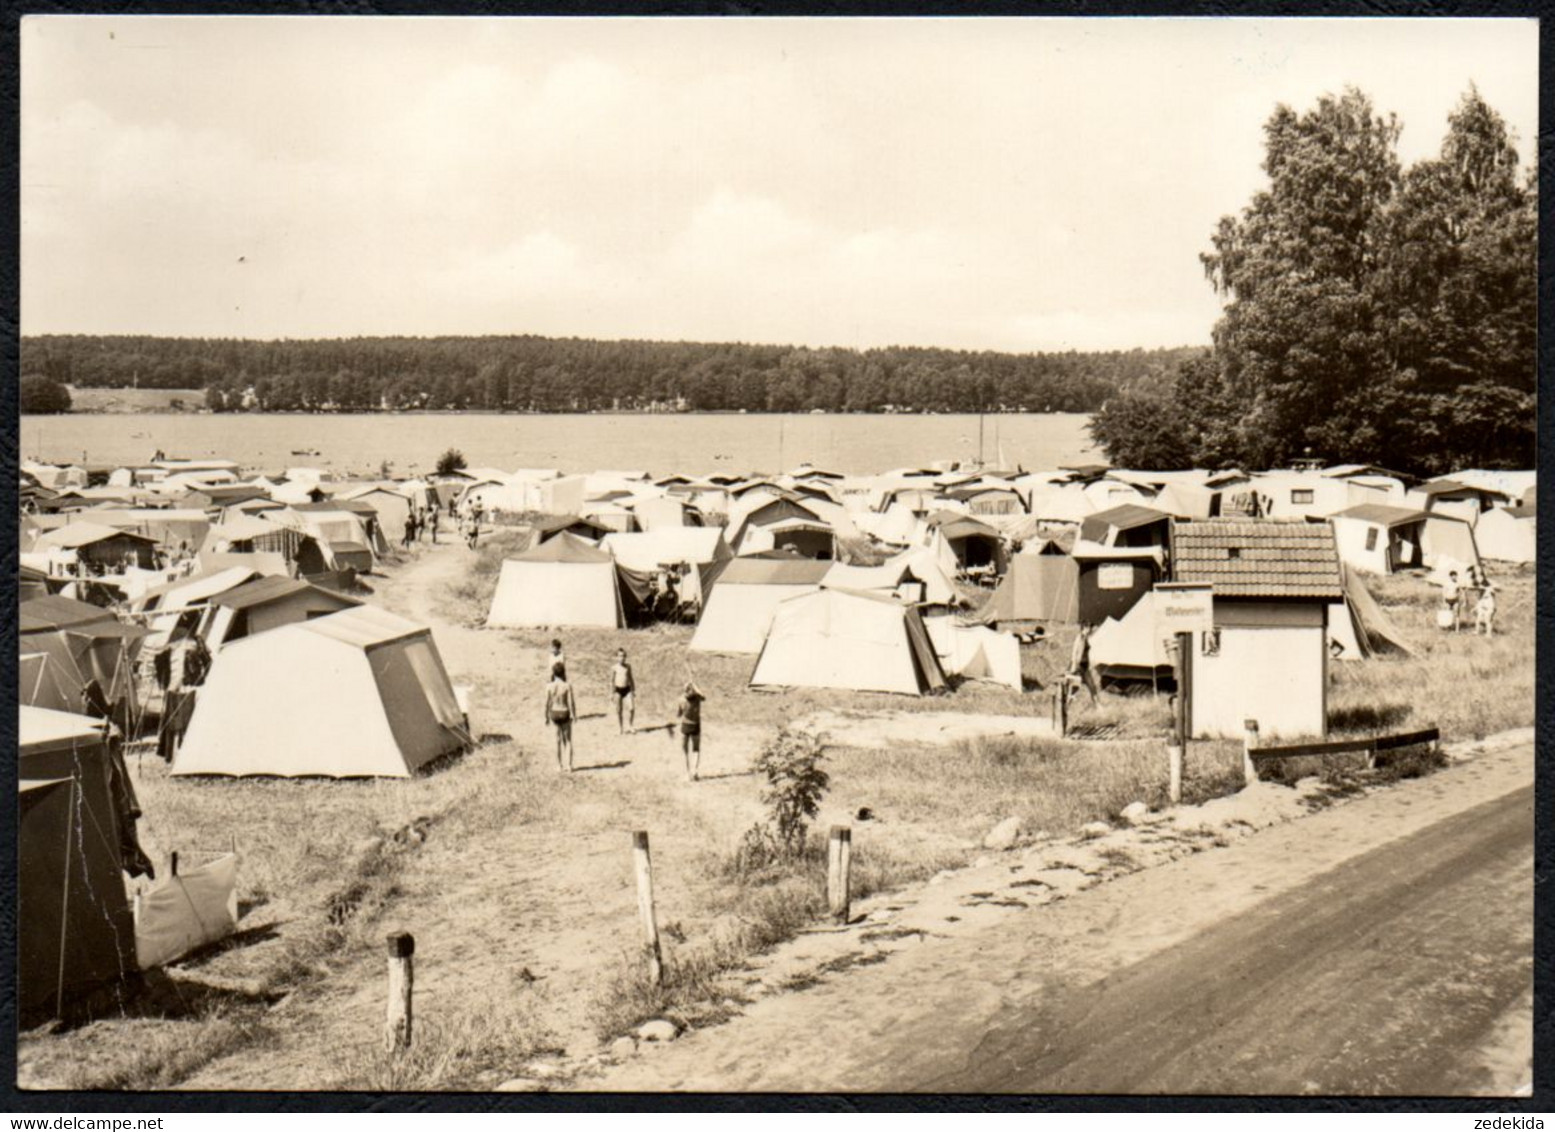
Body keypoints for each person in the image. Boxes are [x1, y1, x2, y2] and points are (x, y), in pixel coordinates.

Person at [544, 665, 578, 772]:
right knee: (568, 741)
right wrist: (574, 714)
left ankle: (559, 765)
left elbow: (546, 703)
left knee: (557, 741)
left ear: (553, 673)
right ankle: (569, 765)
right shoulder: (567, 685)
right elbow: (572, 702)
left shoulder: (549, 686)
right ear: (563, 672)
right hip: (564, 712)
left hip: (555, 712)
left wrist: (546, 717)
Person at [676, 681, 705, 781]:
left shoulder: (681, 700)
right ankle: (695, 771)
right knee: (696, 749)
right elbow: (703, 696)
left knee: (685, 750)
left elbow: (678, 714)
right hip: (696, 725)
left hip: (685, 726)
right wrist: (695, 686)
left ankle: (687, 773)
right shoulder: (697, 698)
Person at [1067, 622, 1100, 708]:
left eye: (1090, 628)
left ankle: (1098, 707)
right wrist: (1074, 667)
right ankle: (1066, 707)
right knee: (1074, 689)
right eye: (1088, 628)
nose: (1090, 630)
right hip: (1079, 666)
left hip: (1085, 666)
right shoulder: (1079, 638)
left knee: (1093, 687)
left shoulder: (1086, 638)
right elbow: (1074, 653)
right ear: (1084, 628)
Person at [610, 648, 636, 734]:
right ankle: (620, 728)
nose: (622, 658)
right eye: (620, 656)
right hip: (618, 690)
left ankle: (630, 725)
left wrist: (633, 690)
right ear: (617, 657)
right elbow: (612, 681)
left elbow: (631, 678)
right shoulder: (614, 668)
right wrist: (611, 693)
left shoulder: (628, 667)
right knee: (619, 710)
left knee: (631, 708)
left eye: (624, 656)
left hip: (627, 689)